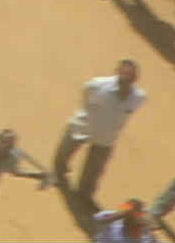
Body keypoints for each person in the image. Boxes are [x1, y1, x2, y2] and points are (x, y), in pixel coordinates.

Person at [59, 62, 146, 200]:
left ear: (135, 79)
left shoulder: (138, 97)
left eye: (130, 77)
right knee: (64, 153)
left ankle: (84, 195)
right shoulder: (98, 86)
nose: (126, 79)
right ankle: (58, 172)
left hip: (107, 137)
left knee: (94, 171)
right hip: (85, 125)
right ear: (117, 73)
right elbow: (85, 96)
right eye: (123, 74)